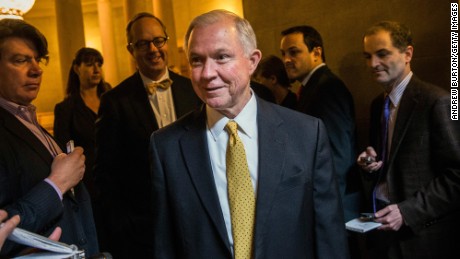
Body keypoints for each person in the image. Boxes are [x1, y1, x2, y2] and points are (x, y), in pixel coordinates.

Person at [150, 9, 348, 258]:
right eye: (197, 61)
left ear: (252, 61)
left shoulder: (307, 134)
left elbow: (329, 238)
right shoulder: (167, 147)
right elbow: (165, 246)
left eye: (221, 57)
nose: (208, 73)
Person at [94, 12, 201, 258]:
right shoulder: (114, 101)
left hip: (194, 218)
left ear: (166, 41)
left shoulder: (193, 90)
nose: (153, 49)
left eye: (158, 40)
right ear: (131, 50)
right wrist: (122, 226)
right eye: (143, 44)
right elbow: (105, 173)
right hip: (143, 229)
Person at [357, 21, 460, 258]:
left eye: (382, 54)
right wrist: (370, 165)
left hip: (421, 237)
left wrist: (407, 212)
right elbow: (389, 166)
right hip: (382, 231)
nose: (373, 64)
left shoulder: (437, 101)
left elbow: (457, 176)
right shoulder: (377, 105)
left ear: (407, 54)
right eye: (368, 56)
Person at [0, 19, 98, 257]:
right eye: (20, 60)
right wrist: (57, 183)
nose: (36, 69)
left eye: (37, 60)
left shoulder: (27, 119)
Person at [280, 26, 360, 221]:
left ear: (316, 52)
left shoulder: (327, 88)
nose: (286, 60)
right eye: (283, 54)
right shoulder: (312, 87)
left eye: (294, 52)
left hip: (333, 205)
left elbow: (337, 155)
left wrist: (323, 207)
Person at [53, 47, 110, 251]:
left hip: (116, 183)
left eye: (99, 64)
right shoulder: (66, 108)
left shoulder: (111, 98)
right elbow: (62, 151)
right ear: (77, 68)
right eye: (89, 64)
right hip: (87, 187)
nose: (96, 69)